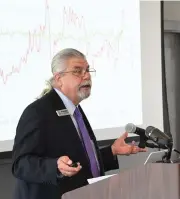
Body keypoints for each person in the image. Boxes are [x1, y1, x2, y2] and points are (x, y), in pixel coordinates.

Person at [11, 48, 146, 199]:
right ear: (58, 78)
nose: (86, 75)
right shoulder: (38, 112)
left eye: (87, 70)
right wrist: (55, 166)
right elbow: (21, 164)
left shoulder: (75, 109)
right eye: (77, 71)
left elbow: (79, 160)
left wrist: (112, 151)